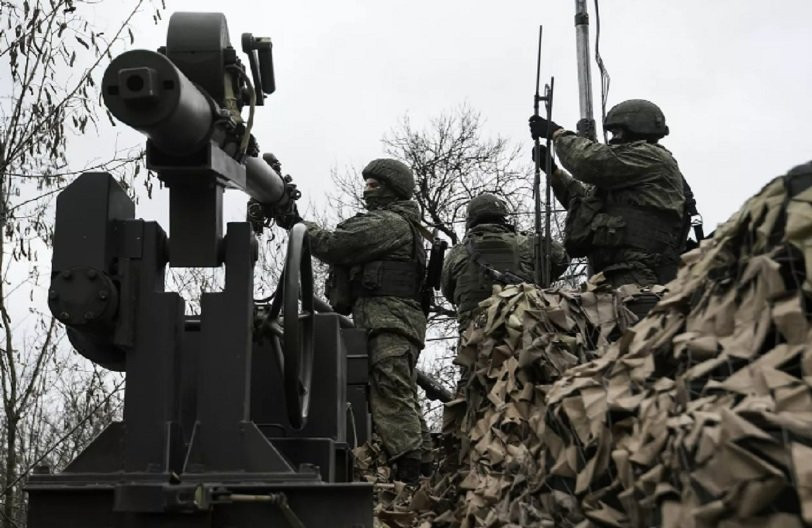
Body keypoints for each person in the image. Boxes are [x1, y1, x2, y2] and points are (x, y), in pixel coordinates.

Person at [280, 158, 431, 484]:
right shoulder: (397, 223)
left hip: (390, 321)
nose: (367, 191)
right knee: (399, 393)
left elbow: (336, 245)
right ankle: (424, 469)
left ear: (392, 190)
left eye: (374, 185)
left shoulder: (390, 224)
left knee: (392, 393)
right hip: (389, 321)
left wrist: (296, 223)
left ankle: (411, 475)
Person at [529, 99, 686, 287]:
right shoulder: (626, 177)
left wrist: (558, 134)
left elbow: (587, 161)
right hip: (615, 274)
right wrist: (555, 174)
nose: (612, 139)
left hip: (642, 275)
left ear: (636, 129)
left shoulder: (652, 156)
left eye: (617, 132)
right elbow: (586, 205)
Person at [441, 192, 569, 331]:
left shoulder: (457, 253)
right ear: (502, 217)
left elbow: (448, 292)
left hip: (475, 334)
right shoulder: (528, 243)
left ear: (470, 221)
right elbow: (562, 259)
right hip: (523, 331)